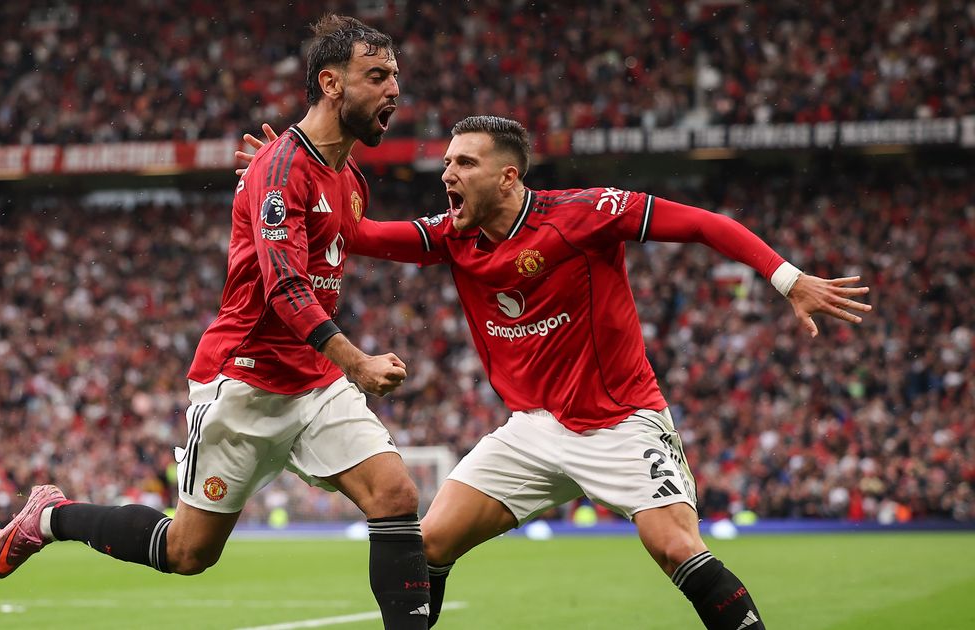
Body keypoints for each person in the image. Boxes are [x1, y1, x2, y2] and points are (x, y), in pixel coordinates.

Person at [239, 115, 871, 629]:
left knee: (676, 548)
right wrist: (285, 175)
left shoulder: (584, 214)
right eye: (448, 162)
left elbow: (705, 224)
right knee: (426, 546)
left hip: (621, 421)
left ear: (508, 176)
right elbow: (360, 234)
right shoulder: (454, 236)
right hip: (533, 430)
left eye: (465, 163)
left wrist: (787, 279)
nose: (447, 173)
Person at [0, 15, 434, 628]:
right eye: (377, 76)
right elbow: (285, 287)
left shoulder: (345, 176)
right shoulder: (282, 169)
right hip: (244, 379)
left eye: (395, 76)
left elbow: (361, 235)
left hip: (315, 381)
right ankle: (49, 517)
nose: (394, 90)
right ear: (332, 84)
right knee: (188, 553)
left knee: (396, 495)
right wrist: (357, 363)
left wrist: (453, 237)